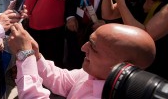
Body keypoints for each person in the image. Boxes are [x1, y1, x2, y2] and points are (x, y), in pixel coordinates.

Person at [8, 23, 156, 98]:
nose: (84, 48)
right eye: (89, 41)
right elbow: (63, 80)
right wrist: (36, 55)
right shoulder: (95, 73)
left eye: (93, 47)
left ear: (122, 68)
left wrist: (25, 56)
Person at [101, 0, 168, 80]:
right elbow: (108, 14)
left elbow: (144, 37)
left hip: (158, 71)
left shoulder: (166, 7)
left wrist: (120, 0)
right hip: (136, 68)